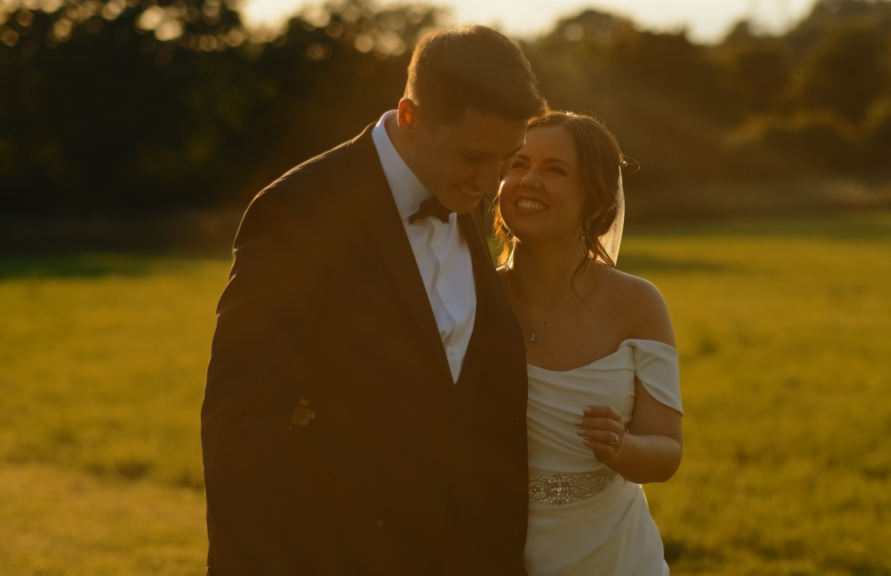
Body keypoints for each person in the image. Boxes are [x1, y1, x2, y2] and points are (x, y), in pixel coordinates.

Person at [200, 25, 547, 575]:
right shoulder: (299, 210)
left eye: (508, 158)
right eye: (473, 156)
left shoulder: (465, 191)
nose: (490, 183)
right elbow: (241, 418)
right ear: (409, 116)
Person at [292, 111, 684, 574]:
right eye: (518, 165)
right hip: (483, 549)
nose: (528, 181)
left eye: (555, 171)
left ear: (595, 197)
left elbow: (666, 451)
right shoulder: (466, 292)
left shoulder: (638, 303)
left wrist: (622, 450)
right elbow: (391, 388)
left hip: (612, 553)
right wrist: (308, 401)